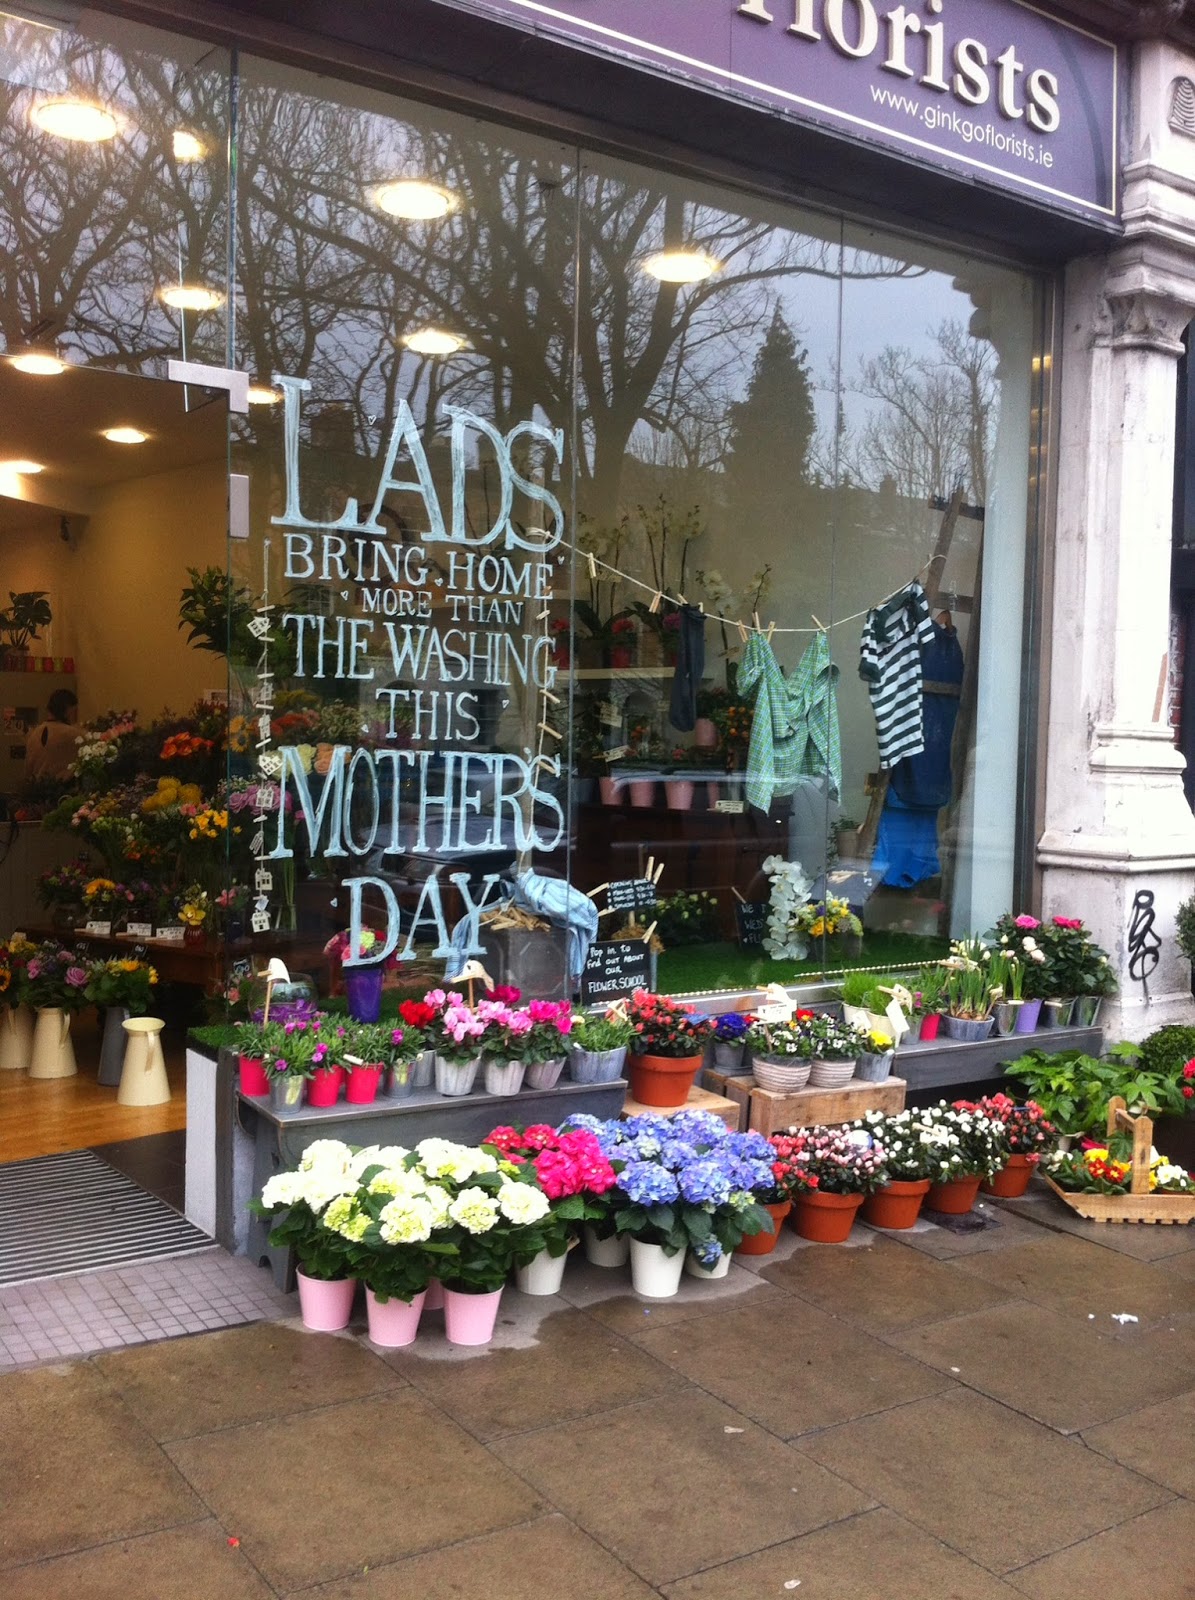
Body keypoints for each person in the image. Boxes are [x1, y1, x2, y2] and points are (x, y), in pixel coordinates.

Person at [24, 689, 78, 780]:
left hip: (36, 789)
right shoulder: (74, 735)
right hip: (62, 791)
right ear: (68, 710)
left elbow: (28, 770)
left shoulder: (34, 734)